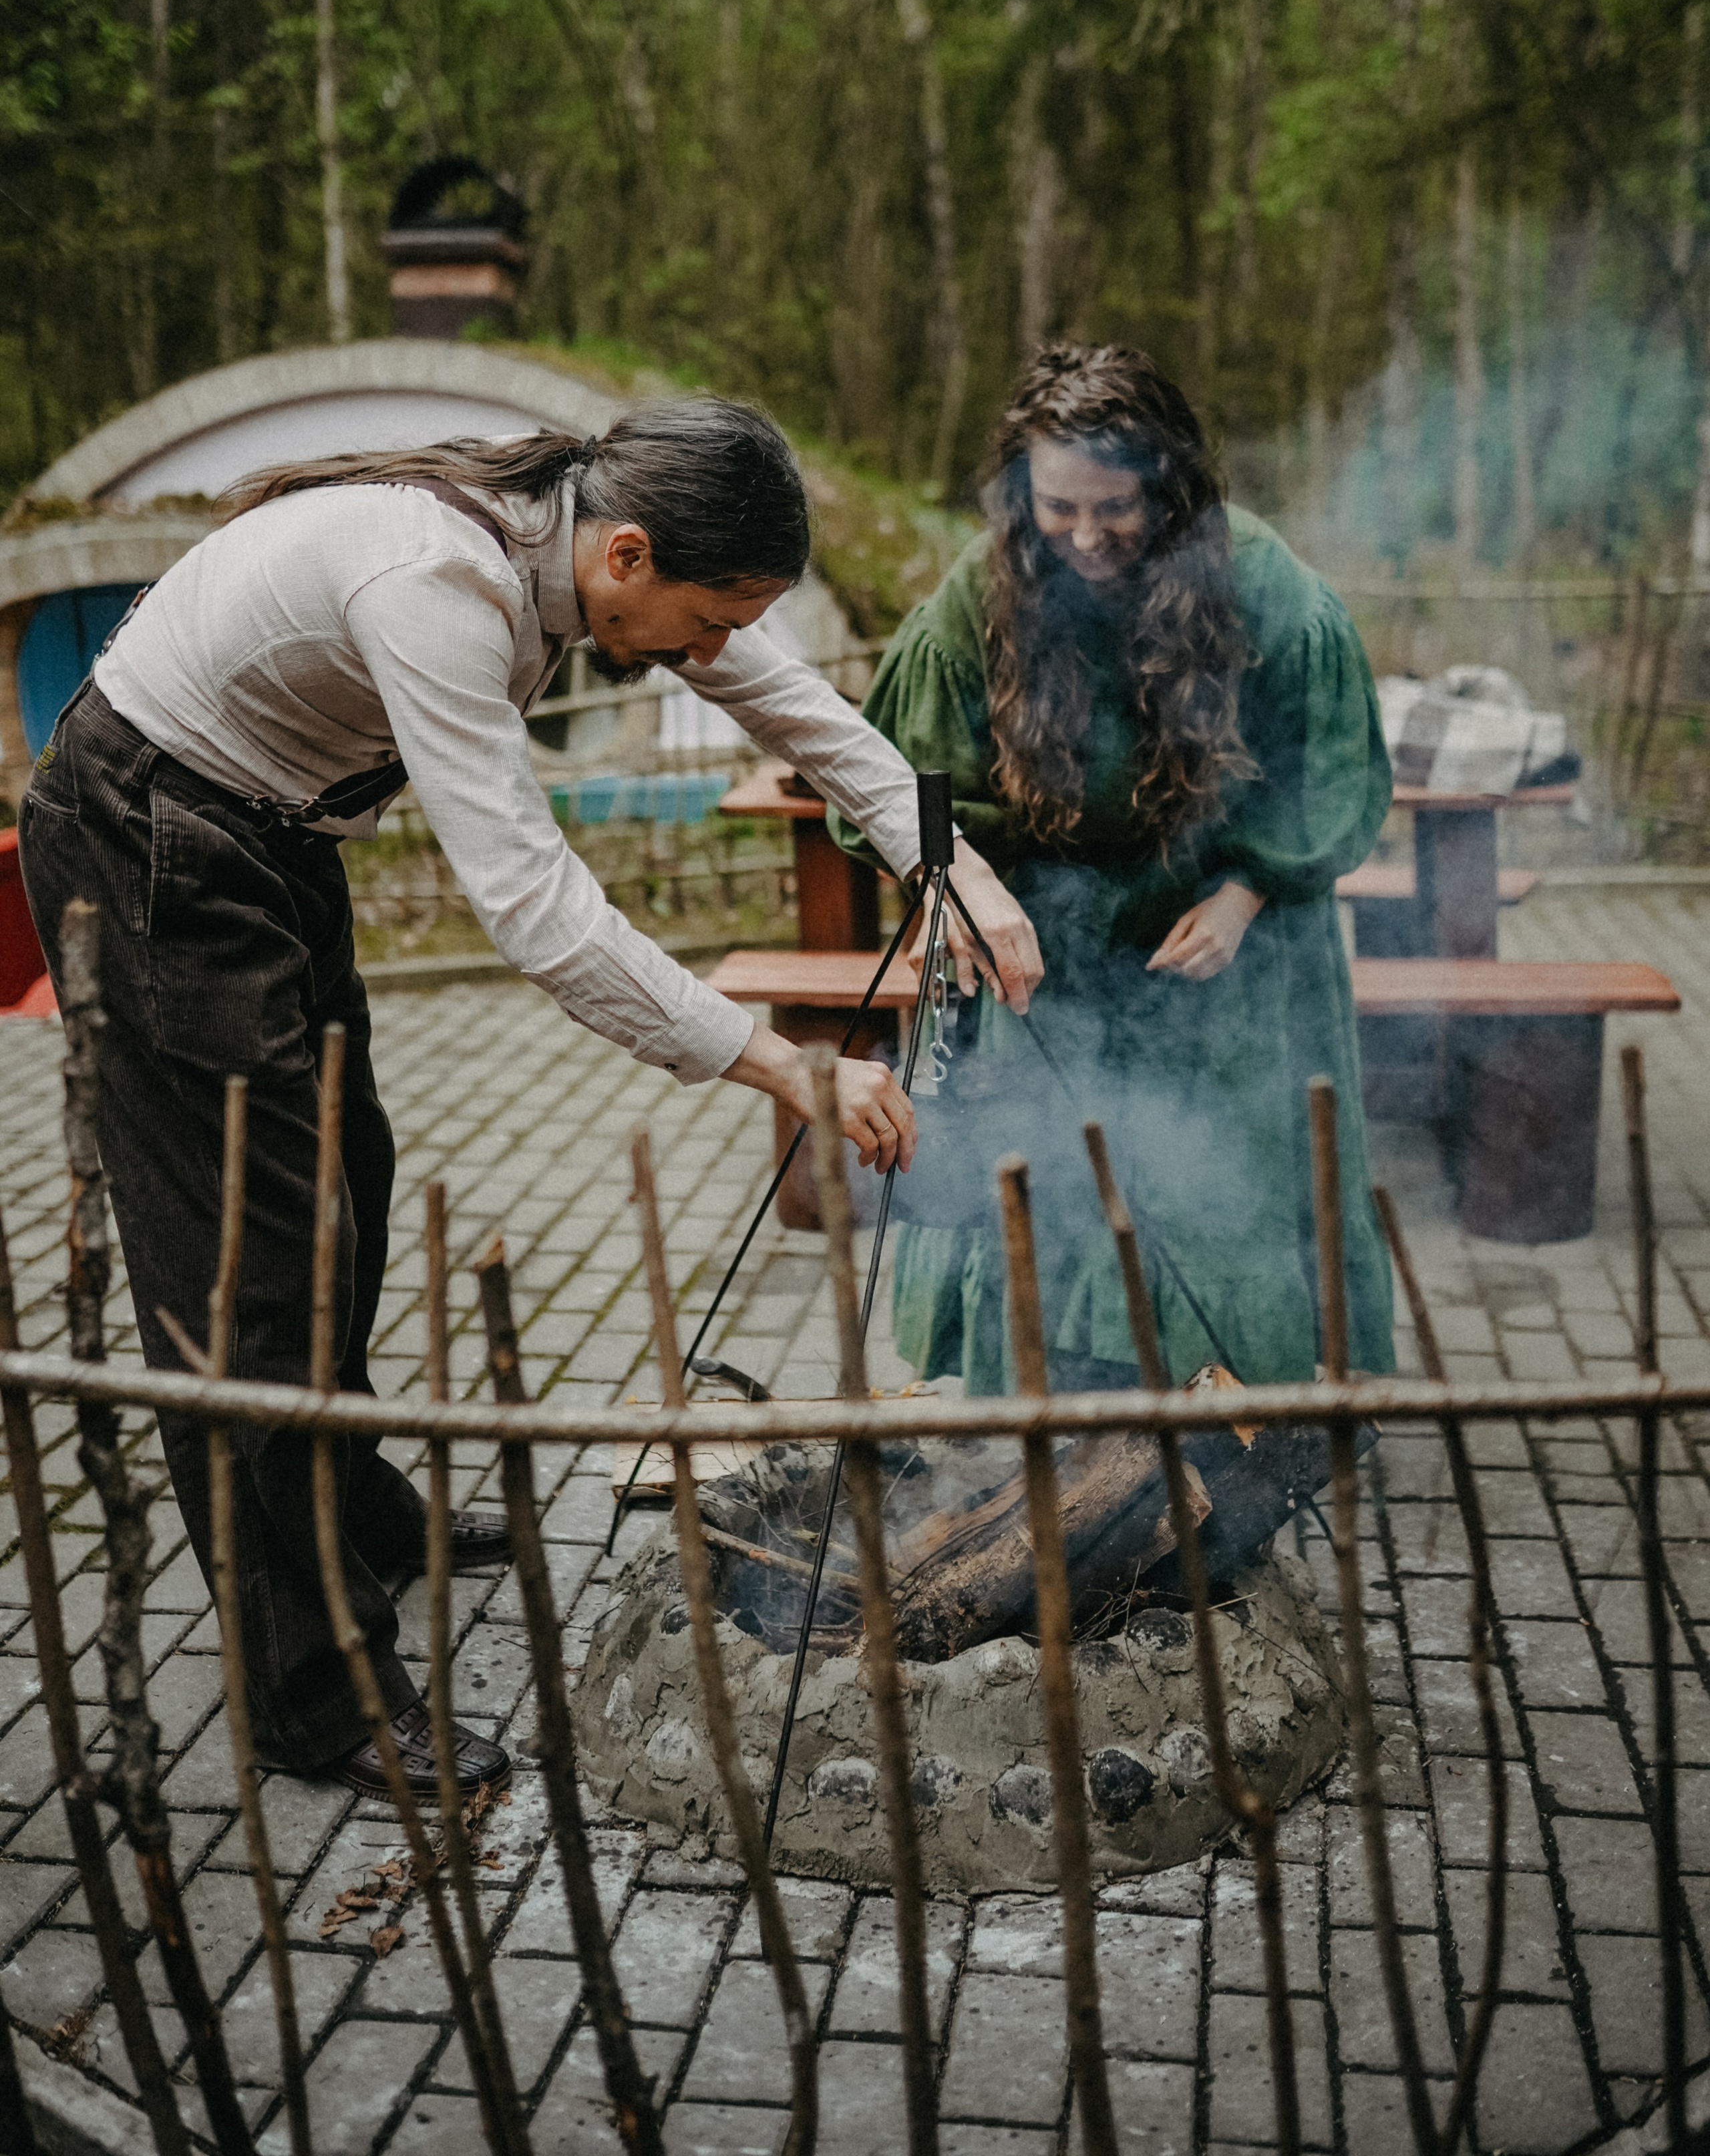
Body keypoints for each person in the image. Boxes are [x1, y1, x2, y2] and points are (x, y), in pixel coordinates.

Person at [17, 399, 1041, 1795]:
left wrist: (955, 873)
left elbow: (799, 710)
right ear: (625, 558)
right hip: (150, 840)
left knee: (343, 1186)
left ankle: (360, 1512)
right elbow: (538, 915)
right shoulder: (439, 586)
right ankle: (318, 1693)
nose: (714, 654)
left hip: (264, 833)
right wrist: (779, 1064)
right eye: (707, 618)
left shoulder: (580, 537)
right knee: (241, 1274)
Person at [829, 343, 1394, 1397]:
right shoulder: (980, 595)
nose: (1085, 536)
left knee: (1216, 1173)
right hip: (1046, 940)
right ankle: (1052, 1400)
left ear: (1170, 491)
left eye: (1117, 509)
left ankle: (1231, 1401)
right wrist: (944, 890)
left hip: (1224, 951)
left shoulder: (1265, 587)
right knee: (1045, 1162)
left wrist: (1243, 892)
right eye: (1058, 507)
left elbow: (1326, 772)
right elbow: (904, 781)